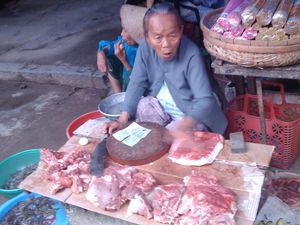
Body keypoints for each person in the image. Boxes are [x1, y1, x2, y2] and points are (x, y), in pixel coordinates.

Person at [102, 2, 227, 137]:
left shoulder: (192, 53)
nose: (166, 44)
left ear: (180, 30)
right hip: (161, 107)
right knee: (143, 111)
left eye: (172, 35)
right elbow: (137, 82)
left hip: (190, 114)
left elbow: (204, 100)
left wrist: (182, 127)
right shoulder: (145, 47)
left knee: (168, 142)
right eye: (158, 37)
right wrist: (122, 120)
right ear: (147, 36)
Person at [97, 19, 138, 93]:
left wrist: (124, 61)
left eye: (126, 31)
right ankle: (118, 95)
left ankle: (124, 97)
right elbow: (111, 46)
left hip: (137, 87)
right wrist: (101, 53)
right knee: (109, 56)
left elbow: (138, 79)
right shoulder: (126, 42)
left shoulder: (145, 51)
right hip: (126, 79)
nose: (122, 34)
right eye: (122, 29)